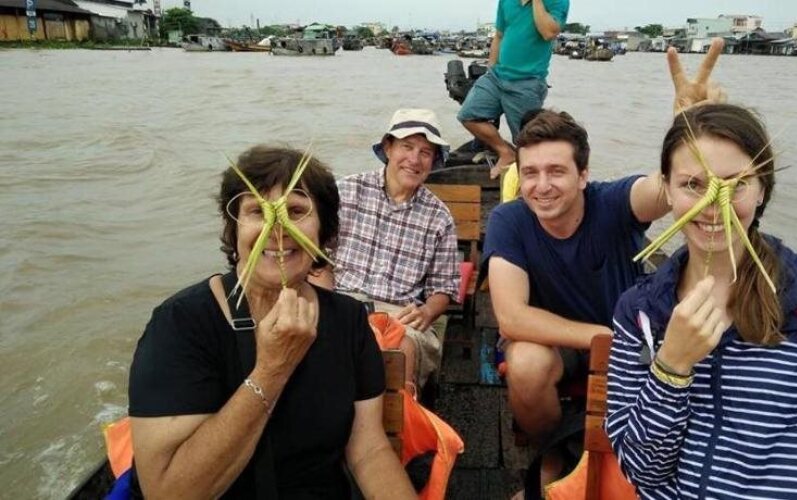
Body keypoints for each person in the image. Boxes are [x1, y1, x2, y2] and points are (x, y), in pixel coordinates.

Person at [605, 104, 797, 498]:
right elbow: (643, 473)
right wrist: (672, 366)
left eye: (736, 185)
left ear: (762, 189)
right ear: (666, 188)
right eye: (692, 185)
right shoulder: (640, 312)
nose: (713, 207)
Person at [483, 41, 726, 488]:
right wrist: (605, 338)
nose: (542, 186)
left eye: (557, 171)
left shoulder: (613, 202)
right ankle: (553, 449)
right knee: (525, 364)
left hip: (630, 341)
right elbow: (512, 317)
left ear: (583, 175)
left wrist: (692, 136)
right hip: (567, 342)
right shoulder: (509, 220)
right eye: (530, 173)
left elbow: (666, 191)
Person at [128, 145, 416, 499]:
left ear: (323, 230)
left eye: (296, 211)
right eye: (257, 211)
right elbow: (168, 493)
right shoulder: (181, 323)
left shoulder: (349, 319)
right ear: (234, 229)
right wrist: (272, 368)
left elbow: (369, 451)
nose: (276, 229)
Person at [312, 109, 461, 395]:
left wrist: (427, 311)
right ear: (388, 148)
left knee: (400, 349)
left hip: (399, 312)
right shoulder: (346, 191)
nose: (414, 159)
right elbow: (315, 255)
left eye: (425, 152)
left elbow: (444, 287)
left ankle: (401, 415)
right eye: (407, 146)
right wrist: (325, 301)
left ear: (433, 161)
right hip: (340, 299)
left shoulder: (439, 217)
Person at [457, 0, 569, 178]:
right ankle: (506, 153)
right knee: (468, 115)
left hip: (527, 82)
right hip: (497, 76)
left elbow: (548, 32)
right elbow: (499, 35)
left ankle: (532, 180)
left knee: (528, 141)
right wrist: (491, 68)